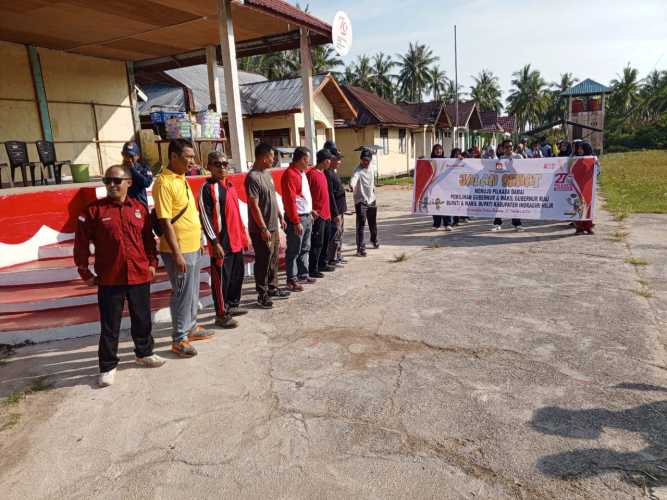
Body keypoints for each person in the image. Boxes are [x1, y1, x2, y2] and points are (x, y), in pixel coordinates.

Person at [74, 165, 165, 387]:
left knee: (142, 319)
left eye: (116, 180)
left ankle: (144, 353)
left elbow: (147, 240)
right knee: (110, 325)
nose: (111, 185)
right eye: (107, 181)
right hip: (110, 278)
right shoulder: (93, 211)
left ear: (129, 182)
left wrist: (152, 263)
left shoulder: (139, 209)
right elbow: (81, 244)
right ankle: (107, 366)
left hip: (139, 275)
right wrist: (84, 271)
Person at [153, 138, 214, 358]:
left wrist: (199, 240)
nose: (192, 161)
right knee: (181, 293)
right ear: (173, 157)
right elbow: (165, 221)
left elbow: (189, 213)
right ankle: (179, 339)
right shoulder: (164, 183)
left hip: (192, 246)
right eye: (187, 157)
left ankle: (192, 328)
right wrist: (177, 253)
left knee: (192, 291)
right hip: (176, 250)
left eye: (192, 156)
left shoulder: (182, 178)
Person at [199, 151, 249, 328]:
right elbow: (204, 217)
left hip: (236, 241)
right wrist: (214, 242)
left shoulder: (229, 185)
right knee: (222, 280)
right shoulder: (207, 189)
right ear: (209, 167)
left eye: (224, 164)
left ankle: (232, 305)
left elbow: (237, 214)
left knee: (237, 275)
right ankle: (221, 314)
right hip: (221, 243)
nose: (222, 167)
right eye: (217, 164)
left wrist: (244, 235)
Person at [246, 143, 289, 309]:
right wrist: (263, 228)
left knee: (273, 259)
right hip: (261, 229)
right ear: (264, 157)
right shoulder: (253, 177)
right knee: (263, 261)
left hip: (273, 226)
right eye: (272, 156)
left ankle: (273, 287)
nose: (274, 160)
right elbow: (253, 205)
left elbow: (272, 198)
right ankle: (262, 294)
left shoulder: (267, 174)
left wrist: (280, 216)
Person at [281, 146, 314, 291]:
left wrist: (310, 211)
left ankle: (303, 273)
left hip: (306, 215)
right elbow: (290, 200)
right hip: (298, 218)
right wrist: (295, 221)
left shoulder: (301, 173)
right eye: (307, 160)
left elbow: (303, 196)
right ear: (301, 159)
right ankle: (291, 279)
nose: (308, 163)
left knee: (305, 247)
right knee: (294, 249)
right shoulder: (290, 175)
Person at [306, 149, 335, 278]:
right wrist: (311, 210)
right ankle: (313, 268)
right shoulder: (311, 174)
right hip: (318, 215)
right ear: (325, 161)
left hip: (327, 214)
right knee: (317, 242)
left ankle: (323, 263)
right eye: (329, 160)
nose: (330, 162)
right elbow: (306, 195)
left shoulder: (323, 174)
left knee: (325, 241)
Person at [350, 148, 378, 256]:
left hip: (372, 199)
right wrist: (351, 186)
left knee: (373, 223)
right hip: (361, 201)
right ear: (360, 160)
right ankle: (360, 248)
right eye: (363, 160)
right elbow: (353, 179)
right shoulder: (357, 170)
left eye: (367, 160)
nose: (365, 162)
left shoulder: (372, 167)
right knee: (361, 225)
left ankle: (374, 240)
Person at [323, 141, 347, 266]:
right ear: (330, 159)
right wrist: (336, 213)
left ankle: (338, 255)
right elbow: (331, 195)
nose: (339, 161)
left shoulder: (333, 172)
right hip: (335, 211)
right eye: (337, 159)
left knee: (339, 233)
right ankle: (332, 258)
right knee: (334, 235)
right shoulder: (327, 173)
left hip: (340, 209)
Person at [492, 139, 524, 232]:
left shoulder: (518, 157)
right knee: (499, 204)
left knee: (514, 205)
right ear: (503, 148)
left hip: (515, 185)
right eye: (507, 147)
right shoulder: (501, 158)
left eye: (511, 146)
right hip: (504, 185)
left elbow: (526, 167)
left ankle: (517, 224)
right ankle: (497, 224)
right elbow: (497, 171)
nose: (509, 148)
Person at [573, 141, 595, 235]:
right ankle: (579, 227)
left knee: (588, 207)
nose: (579, 150)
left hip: (588, 188)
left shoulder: (593, 159)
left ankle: (588, 226)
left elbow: (597, 172)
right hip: (578, 187)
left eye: (581, 148)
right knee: (578, 206)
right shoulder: (575, 159)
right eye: (578, 148)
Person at [121, 141, 153, 206]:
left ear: (138, 156)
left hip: (140, 204)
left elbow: (146, 183)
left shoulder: (143, 168)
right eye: (126, 155)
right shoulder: (118, 170)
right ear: (122, 155)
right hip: (125, 205)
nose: (129, 159)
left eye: (131, 156)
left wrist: (133, 170)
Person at [430, 144, 446, 229]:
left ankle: (447, 224)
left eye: (440, 149)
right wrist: (420, 160)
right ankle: (436, 224)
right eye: (436, 149)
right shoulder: (430, 160)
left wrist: (459, 158)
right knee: (436, 205)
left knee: (446, 204)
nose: (438, 150)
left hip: (445, 187)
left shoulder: (447, 160)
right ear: (433, 151)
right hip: (434, 187)